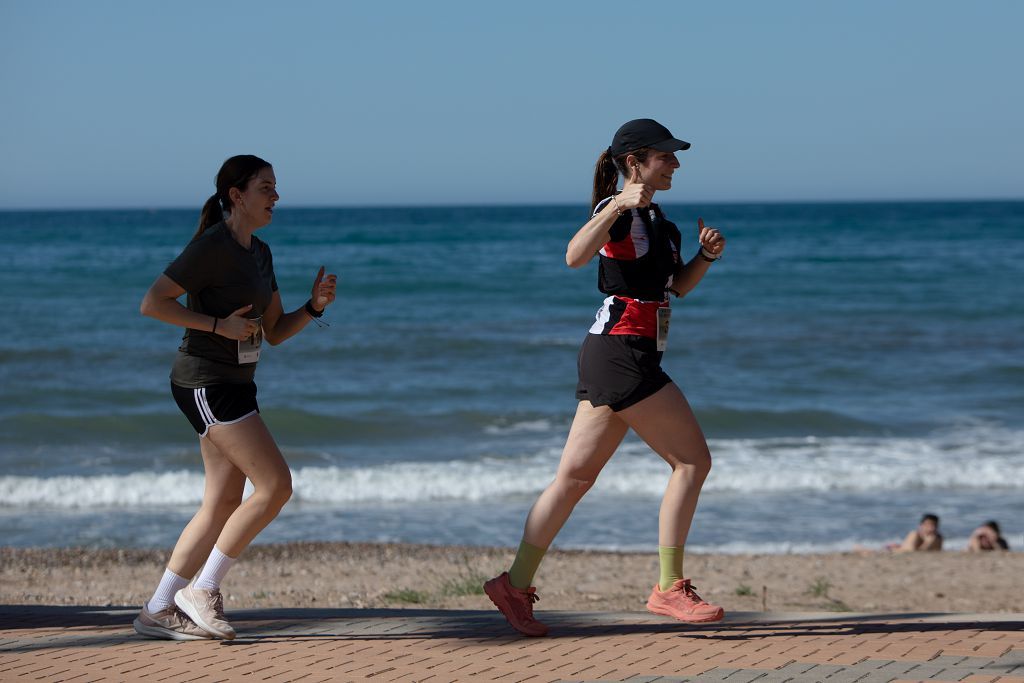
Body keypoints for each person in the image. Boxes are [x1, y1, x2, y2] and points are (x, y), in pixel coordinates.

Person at [484, 119, 726, 636]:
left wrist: (706, 256)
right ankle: (669, 587)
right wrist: (616, 205)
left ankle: (513, 584)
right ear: (635, 162)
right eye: (666, 156)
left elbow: (676, 288)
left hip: (620, 354)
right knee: (692, 462)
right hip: (620, 354)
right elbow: (574, 256)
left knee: (574, 479)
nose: (676, 164)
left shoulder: (662, 222)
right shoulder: (615, 213)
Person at [134, 155, 337, 640]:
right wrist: (217, 325)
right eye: (266, 187)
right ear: (236, 195)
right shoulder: (212, 246)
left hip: (237, 383)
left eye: (276, 187)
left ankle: (157, 609)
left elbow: (275, 332)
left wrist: (313, 307)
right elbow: (152, 303)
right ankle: (203, 589)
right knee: (275, 486)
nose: (276, 196)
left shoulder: (260, 253)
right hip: (205, 382)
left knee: (223, 500)